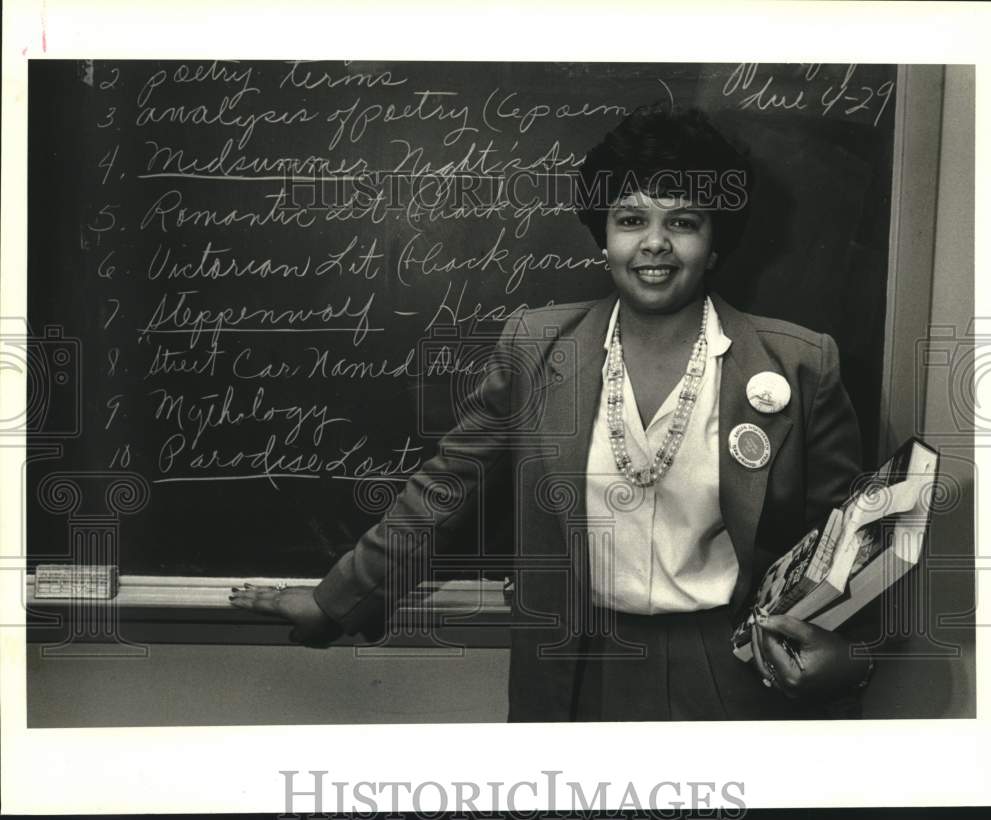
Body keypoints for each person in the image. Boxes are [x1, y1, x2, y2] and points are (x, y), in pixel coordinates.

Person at [231, 103, 875, 721]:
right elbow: (442, 493)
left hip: (734, 669)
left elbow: (851, 546)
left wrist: (856, 655)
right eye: (630, 220)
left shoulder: (799, 363)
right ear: (603, 235)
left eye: (682, 222)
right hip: (574, 665)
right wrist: (333, 601)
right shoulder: (536, 348)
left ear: (715, 242)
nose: (654, 243)